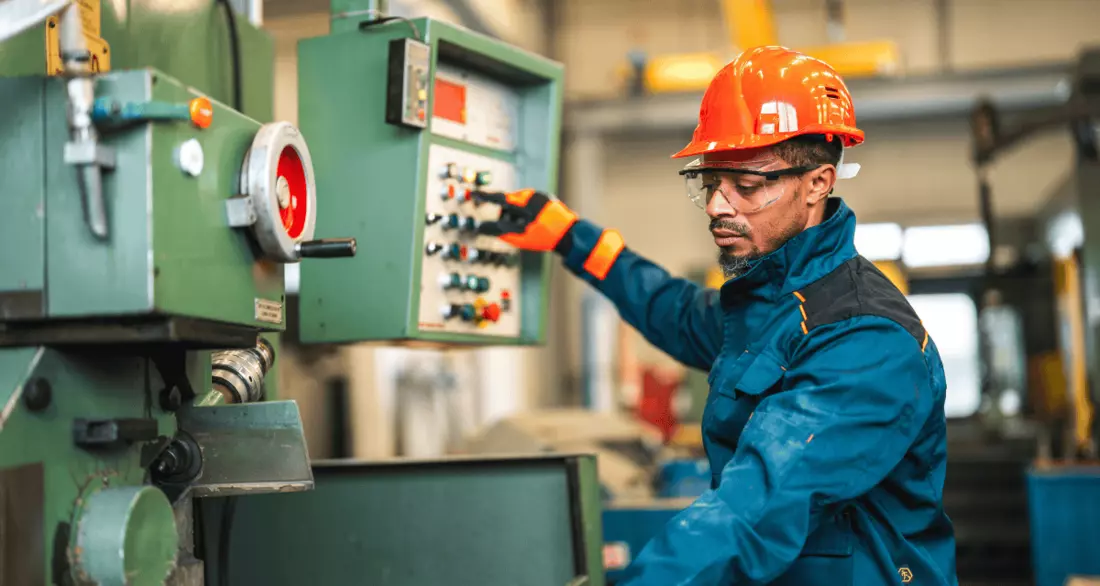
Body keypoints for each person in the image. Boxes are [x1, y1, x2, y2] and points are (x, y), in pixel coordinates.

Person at [476, 46, 956, 586]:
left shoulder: (863, 338)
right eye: (710, 182)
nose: (717, 206)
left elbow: (756, 509)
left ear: (819, 183)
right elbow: (674, 310)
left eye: (747, 186)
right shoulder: (769, 304)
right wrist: (573, 238)